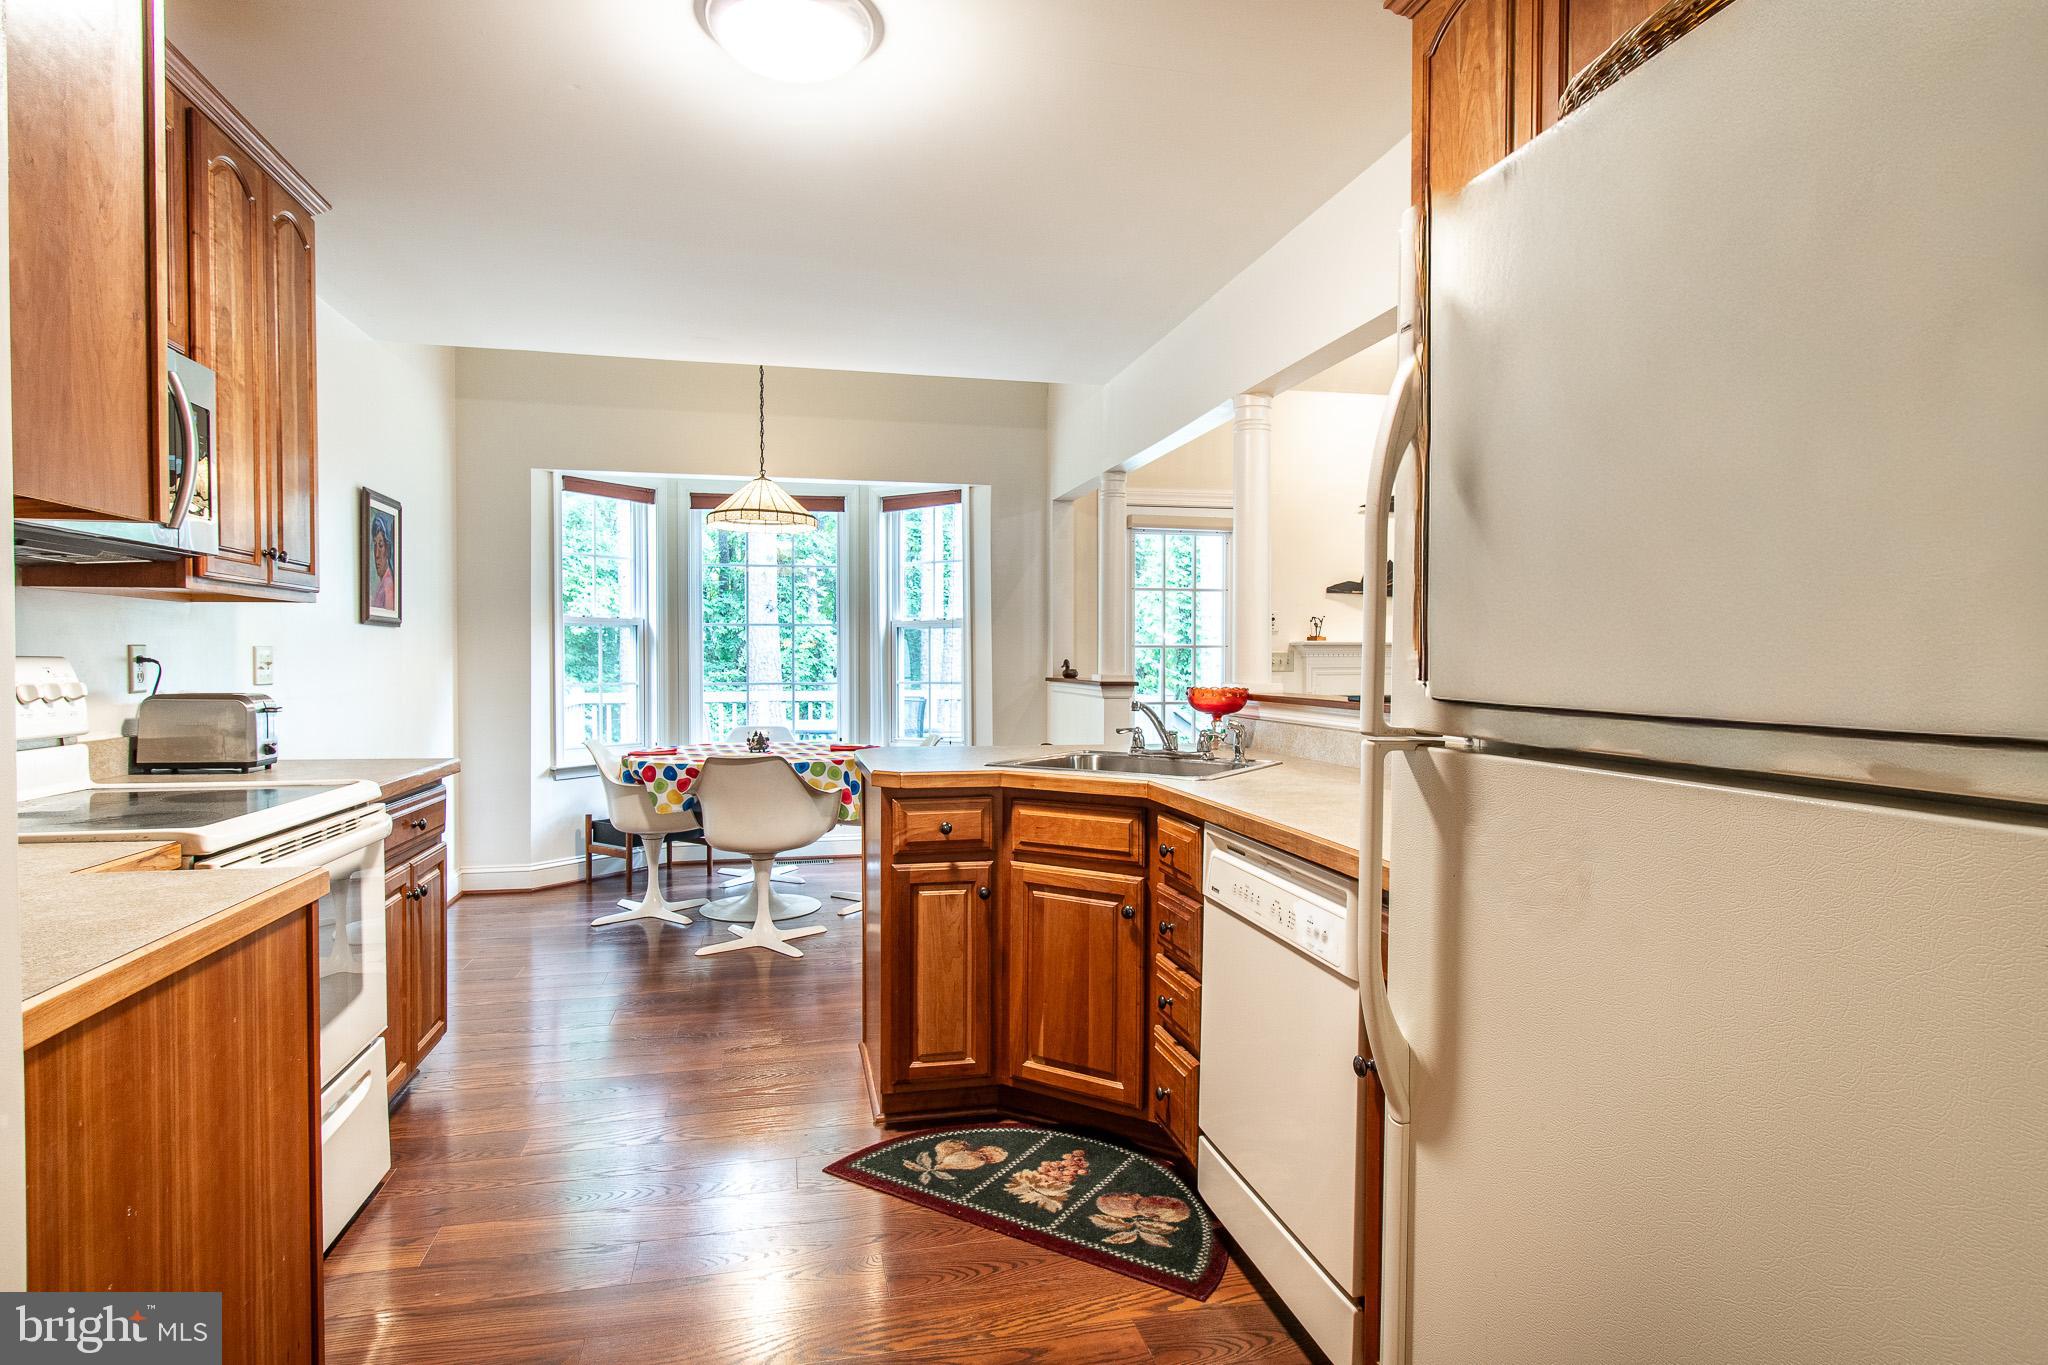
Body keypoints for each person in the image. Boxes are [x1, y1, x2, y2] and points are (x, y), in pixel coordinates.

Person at [369, 517, 396, 611]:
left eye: (381, 546)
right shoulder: (383, 584)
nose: (376, 554)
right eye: (375, 545)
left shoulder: (388, 585)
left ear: (388, 550)